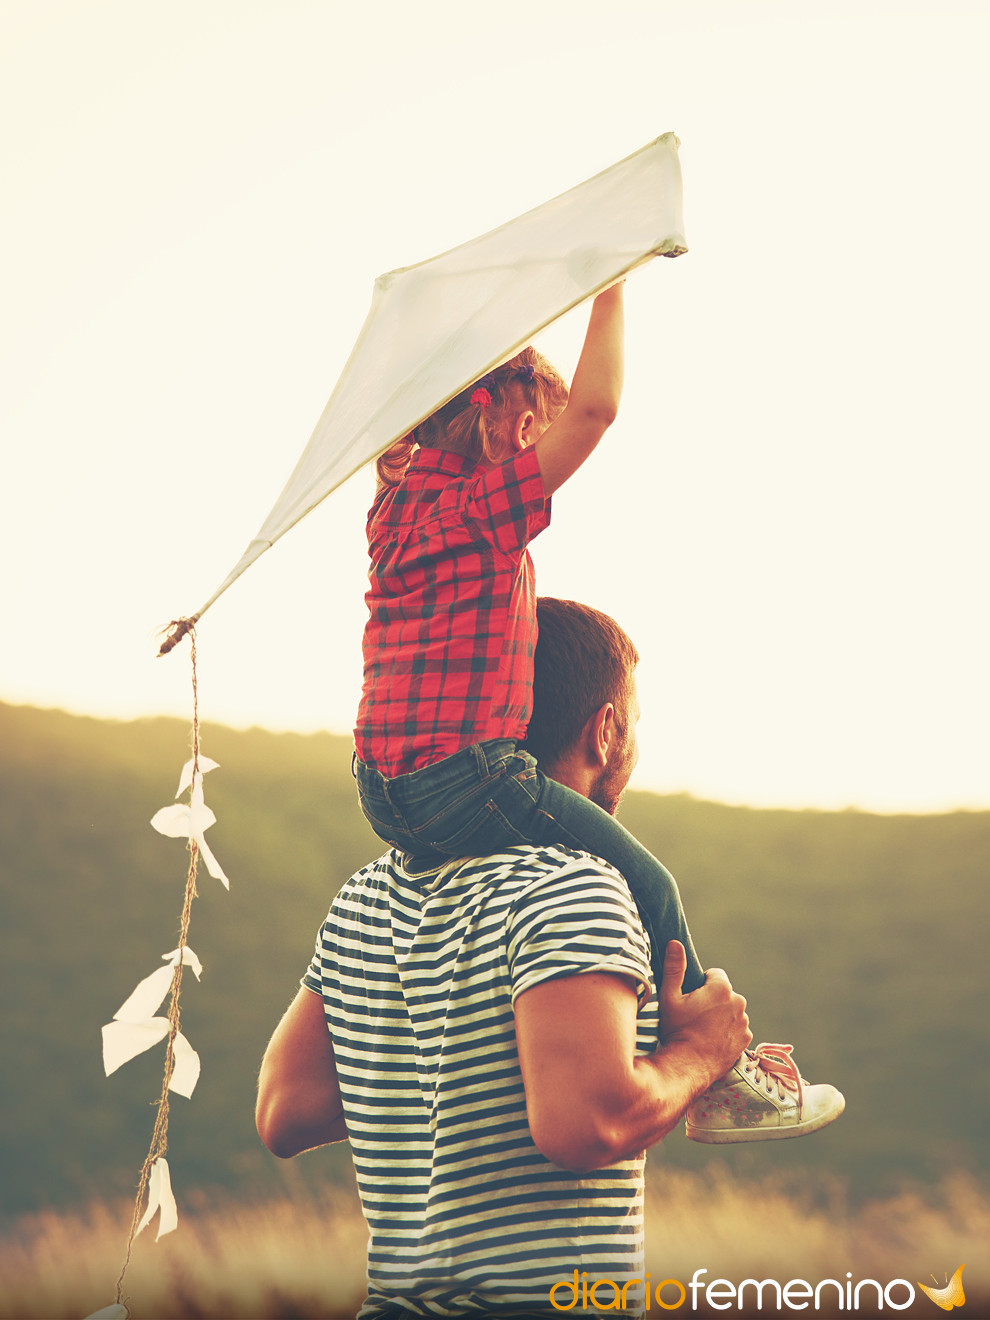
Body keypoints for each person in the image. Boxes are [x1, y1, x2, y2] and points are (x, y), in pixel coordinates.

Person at [257, 598, 843, 1318]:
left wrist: (461, 1069)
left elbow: (286, 1111)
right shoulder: (572, 883)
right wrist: (701, 1055)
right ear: (607, 731)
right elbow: (583, 1126)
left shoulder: (366, 896)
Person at [350, 286, 840, 1144]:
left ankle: (589, 1029)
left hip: (379, 790)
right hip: (466, 780)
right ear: (492, 414)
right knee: (652, 884)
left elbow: (417, 433)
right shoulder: (478, 511)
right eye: (534, 423)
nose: (544, 442)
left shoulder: (392, 509)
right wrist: (610, 282)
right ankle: (720, 1077)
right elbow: (599, 409)